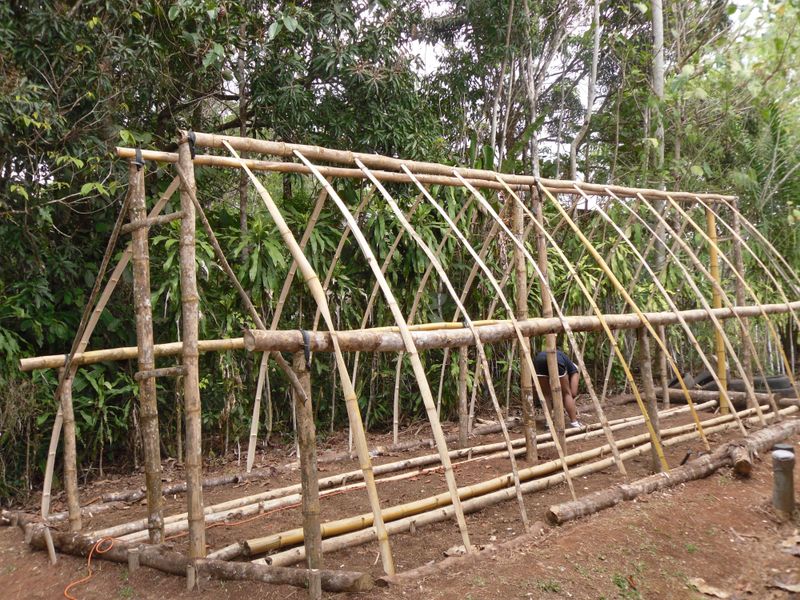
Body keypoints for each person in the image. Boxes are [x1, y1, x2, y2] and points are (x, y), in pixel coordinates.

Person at [532, 349, 583, 429]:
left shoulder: (565, 360)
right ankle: (574, 422)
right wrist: (565, 396)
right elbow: (573, 393)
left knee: (546, 395)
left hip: (539, 360)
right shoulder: (574, 370)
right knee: (567, 394)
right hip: (555, 359)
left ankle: (548, 423)